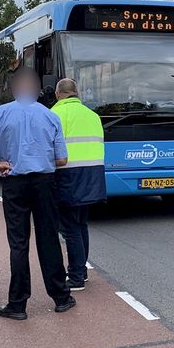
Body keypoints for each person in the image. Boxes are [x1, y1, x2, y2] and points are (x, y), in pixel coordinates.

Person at [0, 69, 74, 320]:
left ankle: (17, 304)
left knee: (18, 242)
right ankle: (61, 297)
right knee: (48, 238)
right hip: (44, 182)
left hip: (14, 181)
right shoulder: (50, 116)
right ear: (36, 90)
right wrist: (40, 158)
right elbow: (62, 159)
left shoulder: (0, 113)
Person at [50, 78, 106, 291]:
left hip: (67, 176)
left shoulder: (55, 114)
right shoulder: (93, 115)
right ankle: (81, 270)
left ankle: (75, 277)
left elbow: (51, 148)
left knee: (70, 228)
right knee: (81, 225)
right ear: (76, 93)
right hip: (93, 175)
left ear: (58, 94)